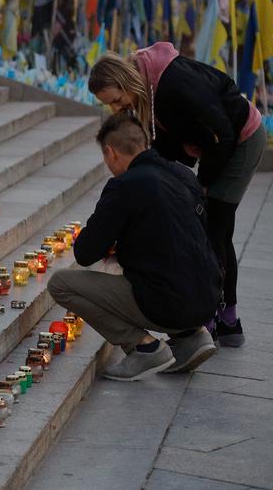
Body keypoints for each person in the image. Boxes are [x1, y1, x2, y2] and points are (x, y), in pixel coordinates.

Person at [89, 45, 265, 346]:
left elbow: (220, 133)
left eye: (117, 100)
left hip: (240, 140)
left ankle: (220, 320)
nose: (118, 108)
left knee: (213, 228)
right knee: (208, 226)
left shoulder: (172, 84)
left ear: (126, 81)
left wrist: (203, 185)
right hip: (216, 145)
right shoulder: (146, 95)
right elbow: (164, 148)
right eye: (111, 106)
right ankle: (220, 318)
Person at [48, 113, 221, 381]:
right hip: (207, 298)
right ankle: (192, 335)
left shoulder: (125, 185)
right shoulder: (183, 175)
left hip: (164, 302)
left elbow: (85, 252)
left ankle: (143, 347)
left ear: (110, 152)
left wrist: (114, 242)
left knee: (61, 283)